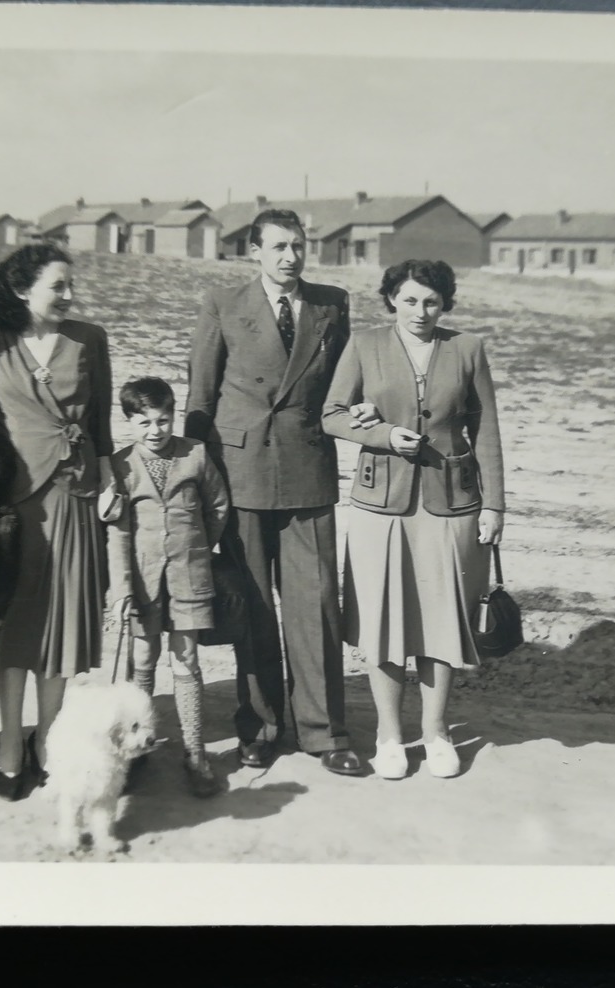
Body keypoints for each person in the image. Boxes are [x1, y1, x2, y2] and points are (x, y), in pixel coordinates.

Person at [184, 208, 363, 775]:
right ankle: (258, 728)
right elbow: (200, 394)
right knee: (254, 609)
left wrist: (365, 408)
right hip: (241, 477)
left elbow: (344, 386)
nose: (291, 257)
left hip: (308, 470)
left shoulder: (332, 304)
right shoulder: (223, 304)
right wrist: (194, 475)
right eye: (279, 247)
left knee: (315, 610)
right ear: (254, 252)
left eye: (298, 246)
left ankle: (325, 733)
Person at [322, 259, 505, 779]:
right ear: (390, 301)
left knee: (442, 619)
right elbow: (331, 413)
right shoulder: (364, 345)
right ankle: (388, 735)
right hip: (382, 505)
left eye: (430, 301)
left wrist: (494, 505)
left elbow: (485, 428)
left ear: (445, 303)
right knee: (382, 621)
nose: (420, 311)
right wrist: (381, 435)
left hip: (451, 506)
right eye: (408, 300)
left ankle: (437, 732)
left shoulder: (467, 349)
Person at [0, 241, 114, 800]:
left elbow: (100, 423)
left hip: (75, 499)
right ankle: (8, 740)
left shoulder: (90, 339)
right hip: (13, 501)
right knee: (14, 627)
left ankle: (46, 736)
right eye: (58, 286)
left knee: (63, 625)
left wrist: (107, 486)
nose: (70, 296)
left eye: (72, 285)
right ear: (22, 289)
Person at [106, 377, 230, 798]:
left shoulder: (195, 454)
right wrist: (121, 589)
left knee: (186, 659)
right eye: (143, 423)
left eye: (162, 421)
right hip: (141, 581)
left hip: (189, 576)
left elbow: (217, 506)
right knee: (143, 658)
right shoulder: (120, 465)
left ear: (172, 417)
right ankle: (135, 752)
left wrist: (196, 548)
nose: (155, 431)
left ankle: (195, 754)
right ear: (128, 422)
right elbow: (118, 534)